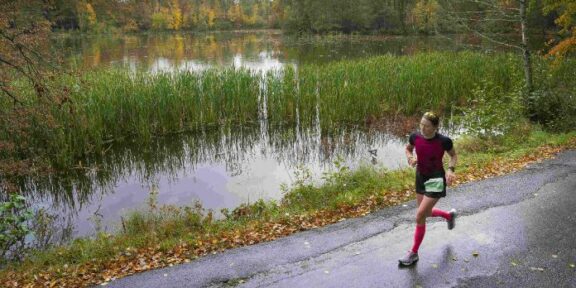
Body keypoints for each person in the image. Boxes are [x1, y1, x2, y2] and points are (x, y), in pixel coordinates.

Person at [398, 111, 458, 266]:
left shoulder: (444, 141)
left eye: (427, 126)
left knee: (419, 215)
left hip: (436, 179)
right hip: (421, 177)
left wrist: (451, 170)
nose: (423, 128)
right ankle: (448, 216)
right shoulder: (415, 137)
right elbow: (408, 149)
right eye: (421, 125)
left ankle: (413, 253)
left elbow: (453, 155)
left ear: (436, 127)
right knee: (424, 213)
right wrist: (410, 157)